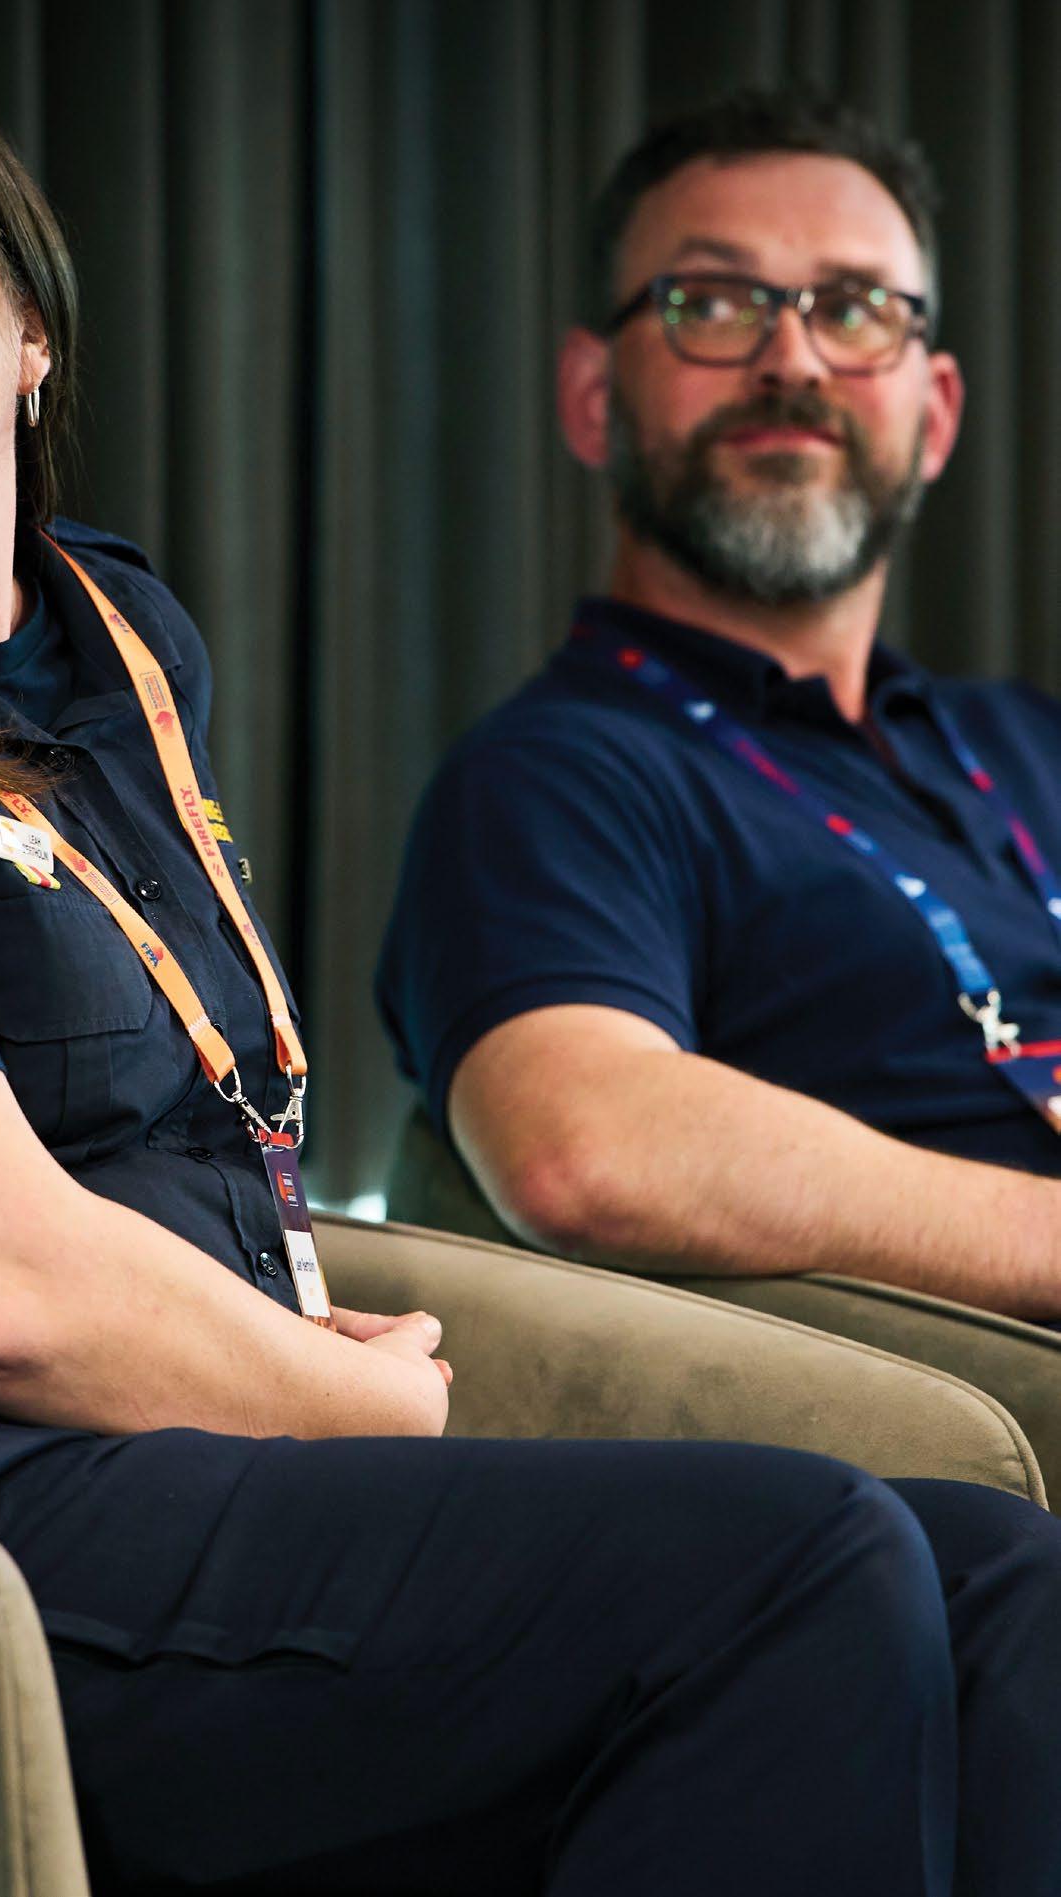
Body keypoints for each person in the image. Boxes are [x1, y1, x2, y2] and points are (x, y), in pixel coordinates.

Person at [0, 43, 1061, 1893]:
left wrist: (283, 1345)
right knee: (800, 1568)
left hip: (199, 1447)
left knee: (1002, 1583)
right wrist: (325, 1395)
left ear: (31, 325)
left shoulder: (118, 635)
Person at [378, 88, 1061, 1330]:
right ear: (593, 395)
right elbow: (583, 1145)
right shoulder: (552, 777)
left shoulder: (1030, 739)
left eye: (854, 308)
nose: (792, 359)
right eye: (713, 304)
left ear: (938, 413)